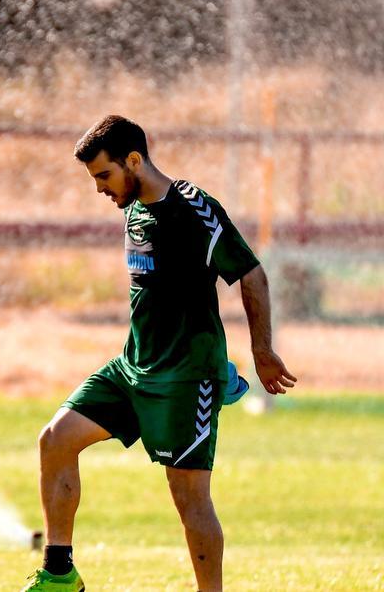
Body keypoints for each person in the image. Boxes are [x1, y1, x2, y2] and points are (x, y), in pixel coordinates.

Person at [22, 115, 297, 592]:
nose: (100, 188)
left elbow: (251, 275)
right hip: (132, 367)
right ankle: (60, 574)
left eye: (104, 175)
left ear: (134, 161)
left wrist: (262, 350)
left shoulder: (193, 208)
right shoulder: (132, 205)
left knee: (189, 499)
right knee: (55, 440)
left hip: (185, 378)